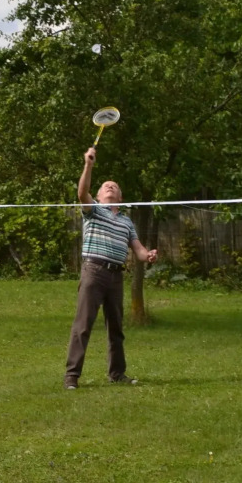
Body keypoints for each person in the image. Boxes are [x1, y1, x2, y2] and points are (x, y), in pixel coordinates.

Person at [66, 145, 157, 389]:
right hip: (93, 272)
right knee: (83, 325)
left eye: (114, 186)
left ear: (120, 197)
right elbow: (81, 192)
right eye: (106, 185)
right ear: (98, 193)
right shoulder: (93, 210)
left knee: (116, 328)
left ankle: (117, 374)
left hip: (116, 276)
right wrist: (88, 165)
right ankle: (72, 376)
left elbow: (137, 250)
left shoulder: (127, 221)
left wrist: (147, 255)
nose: (110, 186)